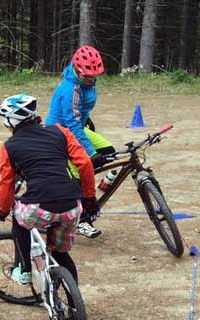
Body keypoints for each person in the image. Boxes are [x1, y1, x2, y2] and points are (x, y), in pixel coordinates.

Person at [0, 94, 98, 285]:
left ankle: (24, 270)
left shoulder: (9, 147)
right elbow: (84, 164)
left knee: (18, 218)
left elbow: (6, 184)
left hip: (38, 208)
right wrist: (89, 197)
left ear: (12, 121)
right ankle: (71, 299)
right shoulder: (60, 131)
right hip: (71, 207)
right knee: (61, 254)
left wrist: (3, 210)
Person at [44, 45, 114, 238]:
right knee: (82, 171)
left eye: (94, 76)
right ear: (77, 70)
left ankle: (100, 185)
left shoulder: (86, 82)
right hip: (60, 132)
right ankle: (81, 220)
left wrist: (87, 118)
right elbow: (72, 123)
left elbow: (80, 110)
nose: (91, 80)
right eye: (87, 76)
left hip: (77, 126)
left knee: (110, 151)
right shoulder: (71, 88)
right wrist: (90, 152)